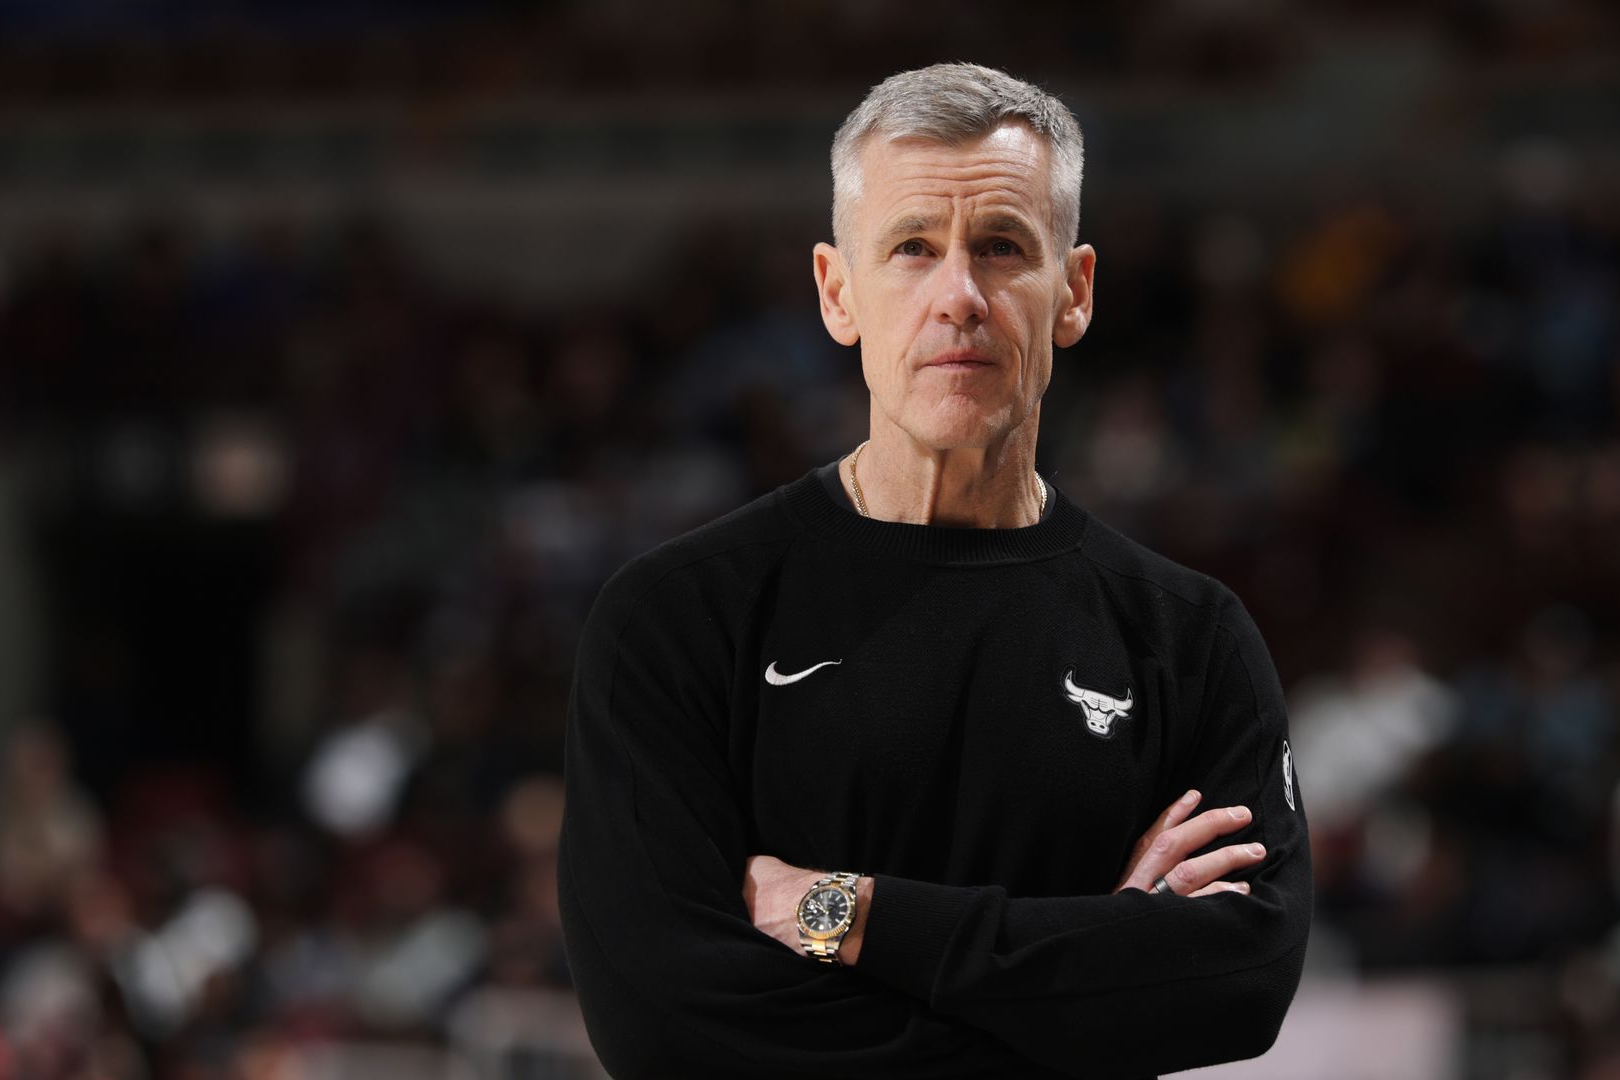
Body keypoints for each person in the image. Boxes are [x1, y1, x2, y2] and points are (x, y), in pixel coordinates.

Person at [558, 62, 1311, 1079]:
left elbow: (1242, 979)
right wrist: (1097, 965)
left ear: (1075, 292)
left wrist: (849, 913)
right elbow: (665, 1028)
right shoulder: (677, 619)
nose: (959, 296)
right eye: (912, 248)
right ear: (838, 292)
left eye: (1002, 247)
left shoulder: (1188, 638)